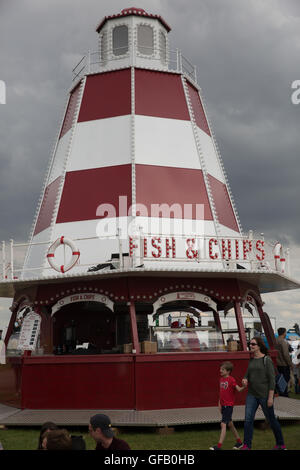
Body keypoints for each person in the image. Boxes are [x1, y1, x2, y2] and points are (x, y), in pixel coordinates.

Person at [241, 337, 287, 450]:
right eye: (249, 344)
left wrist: (270, 398)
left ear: (259, 346)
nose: (250, 346)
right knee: (248, 419)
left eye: (253, 344)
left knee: (271, 420)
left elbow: (272, 380)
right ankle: (247, 445)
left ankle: (280, 444)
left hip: (265, 396)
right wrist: (245, 380)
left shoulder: (267, 360)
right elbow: (247, 374)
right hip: (252, 394)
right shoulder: (251, 360)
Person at [209, 361, 245, 450]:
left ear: (228, 371)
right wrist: (219, 403)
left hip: (229, 406)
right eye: (220, 369)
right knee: (230, 424)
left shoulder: (231, 380)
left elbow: (239, 389)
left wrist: (244, 386)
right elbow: (221, 393)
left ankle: (219, 446)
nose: (220, 370)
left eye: (223, 369)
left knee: (223, 424)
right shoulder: (221, 380)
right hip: (223, 406)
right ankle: (240, 442)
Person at [275, 328, 293, 396]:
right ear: (284, 333)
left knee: (279, 379)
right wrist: (290, 364)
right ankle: (284, 394)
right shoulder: (283, 341)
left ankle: (280, 392)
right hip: (284, 364)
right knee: (285, 380)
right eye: (285, 332)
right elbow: (285, 354)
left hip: (277, 363)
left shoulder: (275, 340)